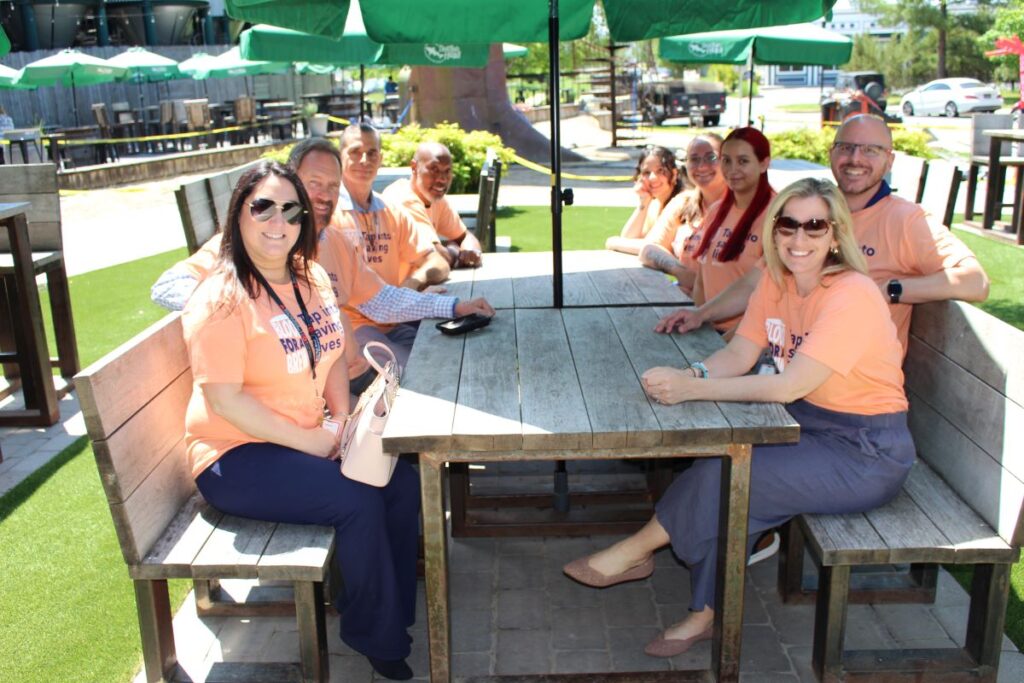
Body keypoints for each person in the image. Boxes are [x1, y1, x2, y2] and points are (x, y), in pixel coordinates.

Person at [564, 177, 915, 659]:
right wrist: (691, 373)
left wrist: (693, 390)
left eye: (815, 226)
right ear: (774, 230)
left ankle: (637, 551)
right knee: (727, 470)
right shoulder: (777, 280)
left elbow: (789, 386)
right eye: (788, 225)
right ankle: (705, 610)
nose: (799, 238)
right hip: (806, 424)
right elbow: (741, 353)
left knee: (731, 478)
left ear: (835, 234)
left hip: (865, 451)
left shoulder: (851, 294)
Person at [181, 161, 420, 680]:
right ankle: (373, 633)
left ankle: (389, 608)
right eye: (262, 207)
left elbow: (331, 355)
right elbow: (225, 401)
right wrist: (313, 442)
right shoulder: (221, 299)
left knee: (400, 481)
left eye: (291, 210)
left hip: (306, 436)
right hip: (234, 454)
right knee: (357, 498)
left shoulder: (309, 277)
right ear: (237, 215)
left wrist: (342, 422)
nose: (278, 222)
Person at [151, 137, 494, 380]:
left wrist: (454, 307)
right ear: (290, 182)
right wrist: (256, 309)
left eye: (333, 186)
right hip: (295, 394)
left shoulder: (334, 240)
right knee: (424, 380)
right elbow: (168, 286)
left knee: (442, 370)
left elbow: (383, 300)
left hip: (331, 380)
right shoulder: (260, 239)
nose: (325, 195)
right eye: (314, 183)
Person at [657, 114, 989, 350]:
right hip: (783, 362)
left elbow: (975, 281)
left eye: (870, 150)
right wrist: (701, 314)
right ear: (831, 153)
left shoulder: (906, 220)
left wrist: (889, 289)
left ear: (889, 161)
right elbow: (756, 281)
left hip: (845, 386)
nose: (855, 158)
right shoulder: (814, 208)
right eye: (846, 147)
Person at [332, 124, 491, 366]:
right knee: (421, 370)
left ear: (380, 159)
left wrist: (413, 286)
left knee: (459, 356)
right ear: (340, 156)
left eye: (372, 153)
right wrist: (431, 299)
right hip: (355, 329)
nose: (364, 160)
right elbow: (375, 301)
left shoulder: (390, 211)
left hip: (396, 317)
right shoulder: (331, 217)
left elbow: (437, 261)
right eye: (355, 152)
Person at [689, 127, 775, 333]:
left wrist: (727, 342)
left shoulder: (779, 215)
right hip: (708, 330)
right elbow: (701, 281)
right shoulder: (716, 211)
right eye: (726, 160)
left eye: (743, 161)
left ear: (764, 163)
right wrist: (699, 325)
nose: (732, 169)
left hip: (747, 339)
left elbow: (771, 297)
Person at [637, 134, 727, 295]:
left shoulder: (743, 205)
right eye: (694, 159)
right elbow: (649, 249)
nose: (702, 166)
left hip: (728, 307)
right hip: (685, 302)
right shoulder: (684, 202)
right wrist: (682, 272)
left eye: (711, 157)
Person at [381, 141, 484, 269]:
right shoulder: (402, 198)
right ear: (414, 167)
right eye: (434, 170)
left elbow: (465, 236)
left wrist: (471, 251)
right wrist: (456, 251)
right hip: (400, 281)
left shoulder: (434, 197)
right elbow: (435, 256)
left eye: (447, 171)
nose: (442, 179)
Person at [605, 146, 684, 255]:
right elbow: (629, 237)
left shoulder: (681, 201)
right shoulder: (655, 204)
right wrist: (644, 202)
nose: (652, 178)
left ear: (674, 174)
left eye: (660, 171)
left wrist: (613, 242)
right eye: (647, 172)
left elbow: (654, 247)